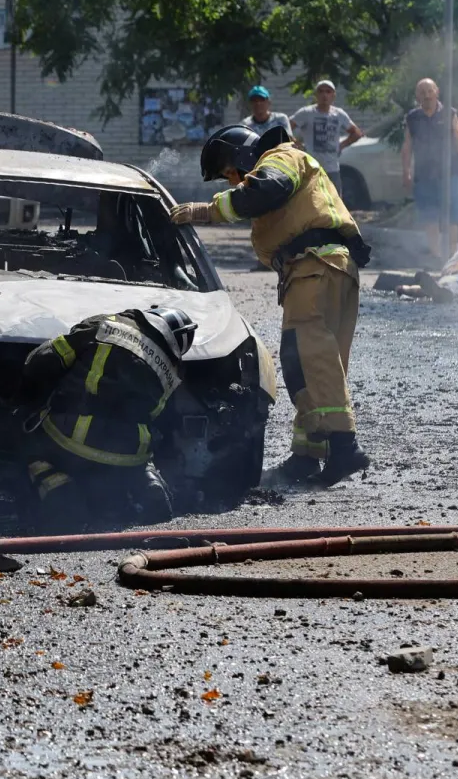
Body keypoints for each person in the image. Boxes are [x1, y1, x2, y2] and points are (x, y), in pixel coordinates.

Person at [170, 125, 372, 487]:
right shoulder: (296, 163)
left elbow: (264, 189)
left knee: (304, 357)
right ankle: (308, 455)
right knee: (319, 363)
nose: (234, 185)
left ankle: (344, 446)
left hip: (313, 266)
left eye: (231, 174)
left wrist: (206, 211)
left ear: (242, 156)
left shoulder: (280, 158)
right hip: (333, 268)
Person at [21, 307, 196, 526]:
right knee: (140, 459)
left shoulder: (106, 325)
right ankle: (148, 484)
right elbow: (160, 418)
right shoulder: (173, 371)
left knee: (31, 448)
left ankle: (62, 496)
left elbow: (43, 360)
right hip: (130, 455)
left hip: (72, 440)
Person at [402, 78, 458, 257]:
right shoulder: (412, 117)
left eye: (429, 91)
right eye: (422, 92)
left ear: (437, 92)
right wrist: (406, 172)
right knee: (429, 217)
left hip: (450, 173)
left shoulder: (449, 114)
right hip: (424, 175)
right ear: (417, 96)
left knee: (453, 216)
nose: (426, 95)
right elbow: (407, 146)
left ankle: (452, 255)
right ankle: (437, 256)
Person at [288, 80, 362, 197]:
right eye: (321, 91)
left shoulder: (338, 114)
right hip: (311, 168)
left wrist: (342, 145)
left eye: (328, 91)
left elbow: (356, 132)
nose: (324, 95)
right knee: (311, 201)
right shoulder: (306, 112)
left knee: (335, 202)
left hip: (332, 167)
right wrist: (297, 145)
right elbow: (286, 127)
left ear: (333, 95)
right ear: (316, 95)